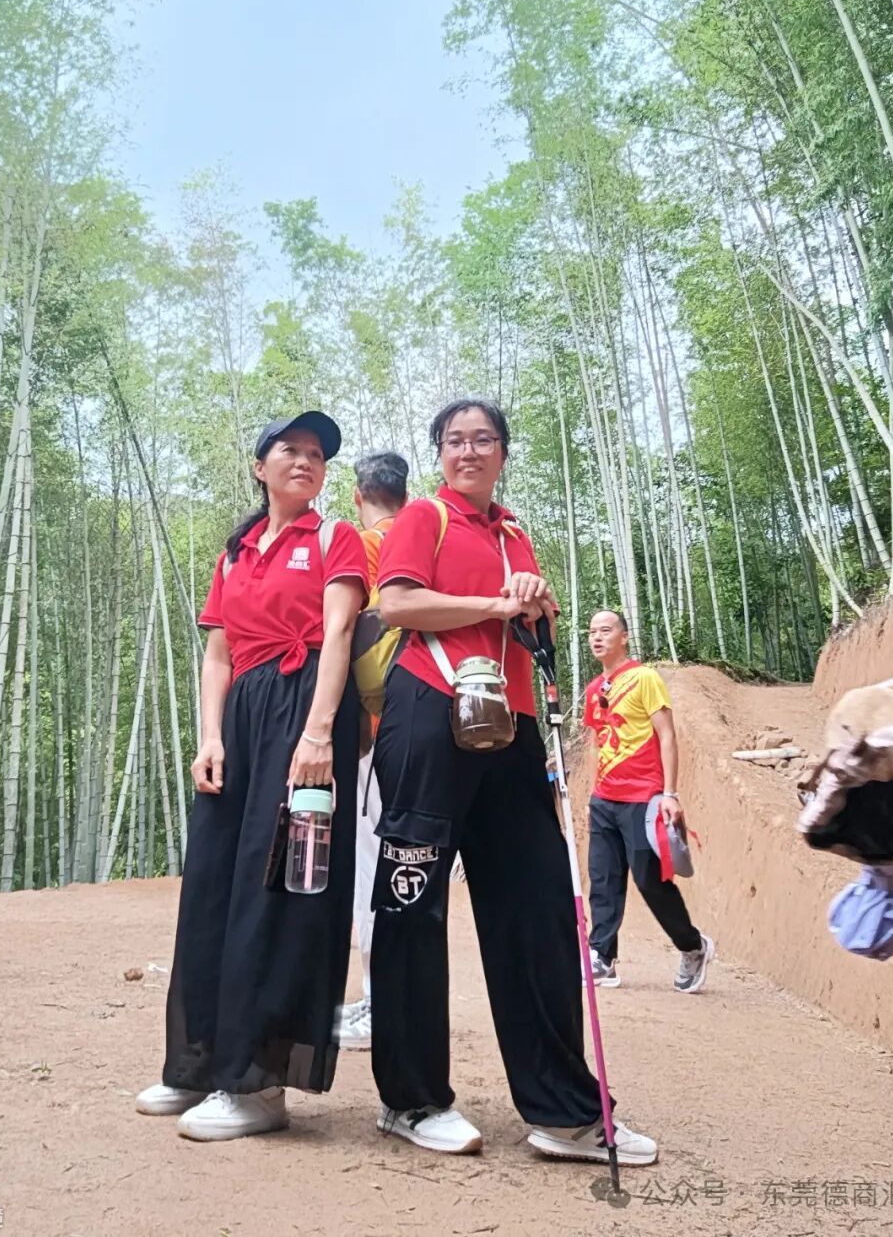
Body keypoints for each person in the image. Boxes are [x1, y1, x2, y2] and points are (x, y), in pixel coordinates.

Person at [368, 397, 657, 1164]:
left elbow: (530, 630)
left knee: (536, 907)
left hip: (512, 722)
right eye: (455, 439)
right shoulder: (425, 517)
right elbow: (395, 602)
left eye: (484, 439)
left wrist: (538, 611)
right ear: (439, 452)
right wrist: (497, 602)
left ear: (503, 451)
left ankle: (564, 1110)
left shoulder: (515, 532)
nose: (469, 450)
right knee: (412, 901)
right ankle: (411, 1097)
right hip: (428, 713)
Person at [135, 411, 368, 1141]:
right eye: (289, 449)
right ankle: (200, 1061)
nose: (305, 460)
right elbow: (218, 654)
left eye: (317, 453)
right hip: (240, 714)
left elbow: (339, 631)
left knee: (277, 886)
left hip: (307, 708)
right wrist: (210, 736)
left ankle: (259, 1082)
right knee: (212, 883)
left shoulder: (334, 537)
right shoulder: (235, 553)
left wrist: (319, 733)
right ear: (259, 466)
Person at [583, 610, 714, 994]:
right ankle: (602, 956)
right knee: (603, 880)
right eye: (591, 632)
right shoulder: (594, 689)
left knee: (649, 880)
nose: (597, 637)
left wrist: (669, 794)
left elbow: (667, 735)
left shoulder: (645, 678)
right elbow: (597, 741)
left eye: (605, 630)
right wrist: (592, 791)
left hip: (643, 797)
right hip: (604, 799)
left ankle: (693, 946)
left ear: (624, 637)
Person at [336, 450, 409, 1052]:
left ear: (358, 495)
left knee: (373, 867)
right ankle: (385, 998)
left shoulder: (360, 546)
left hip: (376, 728)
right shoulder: (425, 539)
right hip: (427, 726)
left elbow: (342, 632)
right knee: (406, 865)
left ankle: (381, 1002)